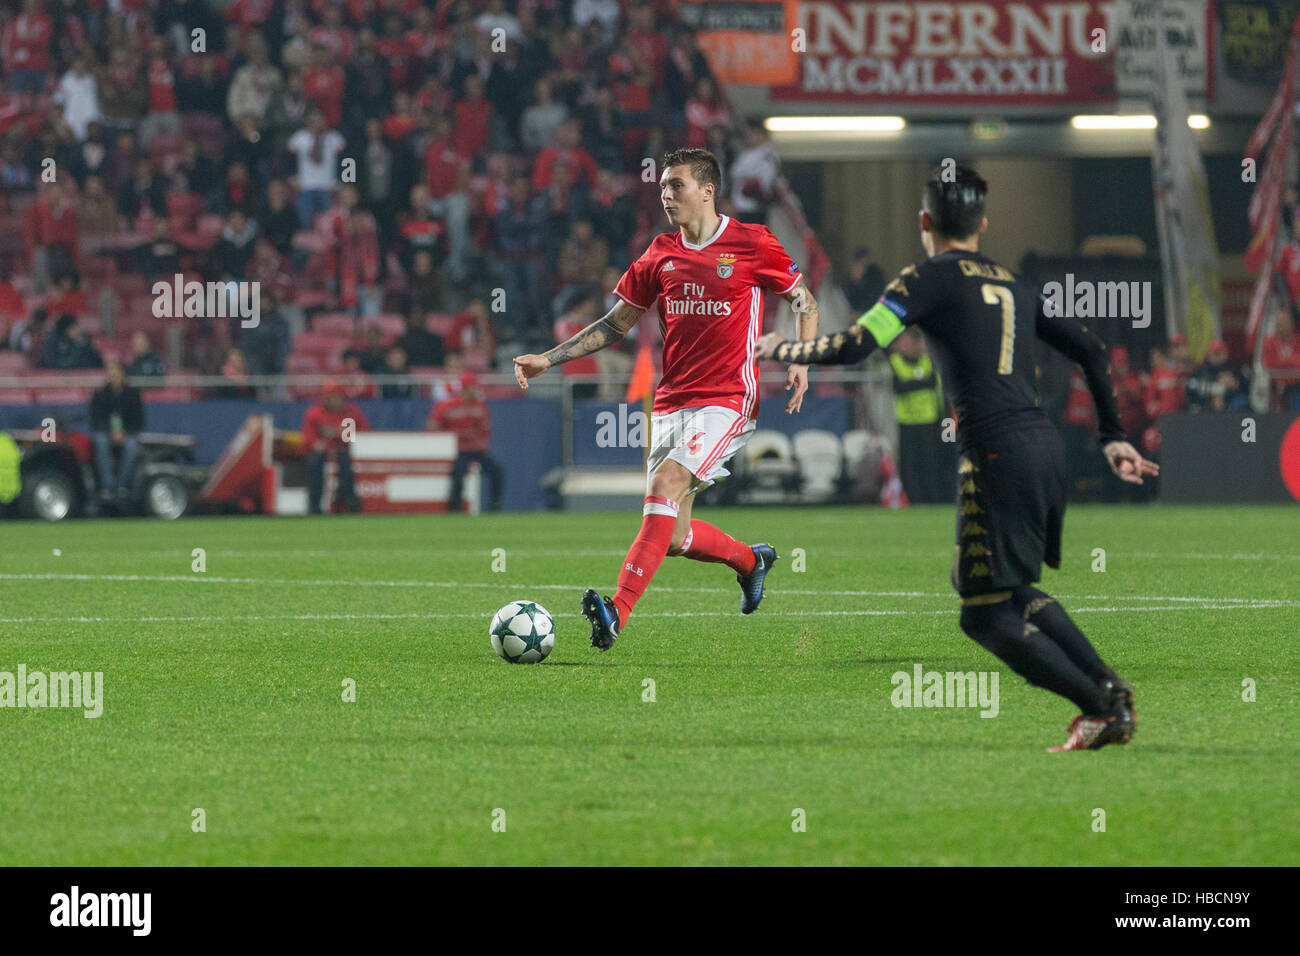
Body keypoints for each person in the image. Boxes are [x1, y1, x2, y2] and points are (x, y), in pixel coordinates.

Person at [756, 164, 1157, 751]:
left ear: (924, 222)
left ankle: (1099, 707)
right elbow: (1093, 350)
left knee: (981, 612)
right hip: (1041, 444)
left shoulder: (923, 280)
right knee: (1012, 589)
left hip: (996, 448)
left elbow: (858, 343)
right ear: (983, 224)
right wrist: (1114, 434)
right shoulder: (1013, 282)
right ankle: (1110, 690)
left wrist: (784, 347)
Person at [514, 147, 816, 651]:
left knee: (665, 481)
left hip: (727, 399)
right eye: (662, 187)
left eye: (676, 185)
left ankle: (616, 611)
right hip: (671, 402)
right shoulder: (659, 253)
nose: (666, 194)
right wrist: (548, 358)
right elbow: (615, 324)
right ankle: (750, 560)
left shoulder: (751, 243)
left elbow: (804, 300)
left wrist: (801, 358)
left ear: (707, 189)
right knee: (674, 535)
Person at [888, 327, 952, 504]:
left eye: (905, 340)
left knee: (936, 460)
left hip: (936, 421)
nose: (901, 345)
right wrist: (921, 383)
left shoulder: (931, 361)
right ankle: (916, 500)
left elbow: (936, 387)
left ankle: (938, 498)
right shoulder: (896, 362)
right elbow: (899, 388)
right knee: (910, 465)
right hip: (908, 421)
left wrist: (946, 423)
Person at [429, 372, 502, 511]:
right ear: (465, 388)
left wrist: (482, 447)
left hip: (476, 451)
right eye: (474, 387)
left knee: (497, 471)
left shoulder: (480, 406)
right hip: (456, 451)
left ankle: (495, 507)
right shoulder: (447, 406)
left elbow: (485, 430)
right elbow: (433, 427)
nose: (477, 391)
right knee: (459, 472)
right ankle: (455, 508)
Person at [302, 382, 369, 514]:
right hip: (322, 452)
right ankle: (314, 505)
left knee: (345, 462)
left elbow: (363, 434)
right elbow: (310, 439)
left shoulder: (351, 413)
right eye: (330, 397)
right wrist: (322, 445)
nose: (333, 400)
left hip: (345, 451)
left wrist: (341, 437)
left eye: (336, 396)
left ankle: (350, 503)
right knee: (314, 462)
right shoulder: (314, 413)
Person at [89, 361, 144, 502]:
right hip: (106, 433)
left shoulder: (133, 395)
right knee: (100, 441)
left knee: (132, 445)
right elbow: (96, 420)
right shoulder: (100, 395)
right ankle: (108, 486)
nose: (113, 375)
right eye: (111, 372)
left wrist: (123, 432)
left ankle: (122, 486)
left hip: (128, 433)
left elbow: (138, 420)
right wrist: (111, 431)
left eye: (116, 372)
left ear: (123, 375)